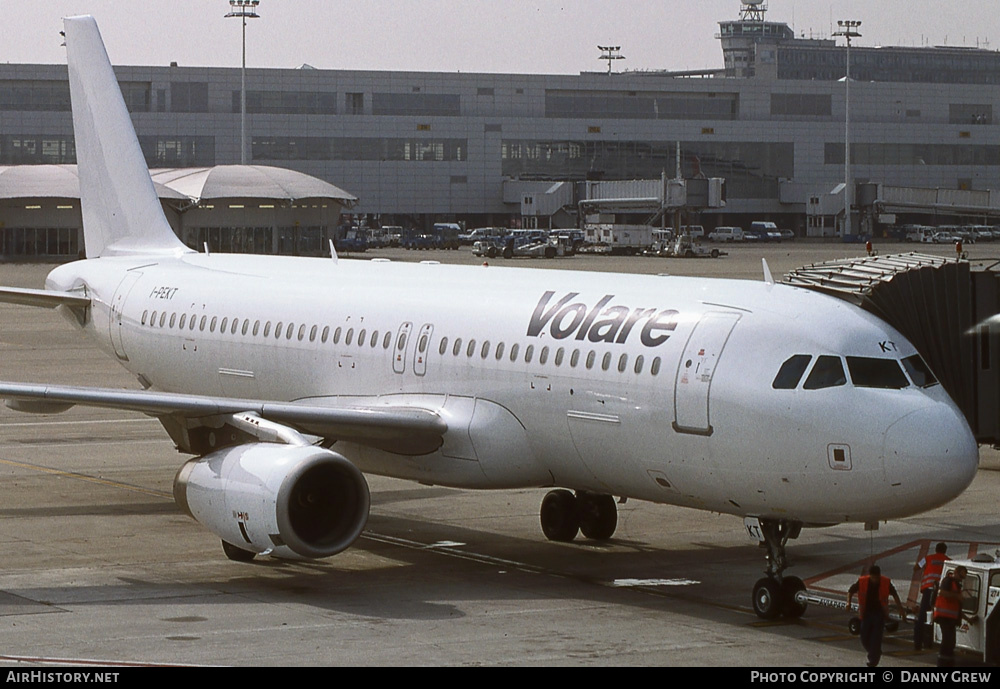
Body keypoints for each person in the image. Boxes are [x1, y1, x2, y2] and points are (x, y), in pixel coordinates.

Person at [848, 564, 907, 667]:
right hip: (866, 613)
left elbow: (895, 594)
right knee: (864, 637)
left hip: (879, 613)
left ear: (879, 576)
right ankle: (875, 652)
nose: (875, 580)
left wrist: (900, 609)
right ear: (870, 576)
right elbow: (850, 591)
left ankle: (873, 661)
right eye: (873, 577)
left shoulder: (885, 582)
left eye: (877, 578)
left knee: (876, 637)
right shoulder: (862, 581)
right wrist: (848, 602)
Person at [913, 542, 949, 650]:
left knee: (922, 616)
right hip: (941, 592)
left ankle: (918, 643)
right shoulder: (948, 561)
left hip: (928, 590)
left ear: (936, 549)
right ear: (945, 551)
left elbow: (916, 567)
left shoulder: (928, 558)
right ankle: (933, 641)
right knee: (938, 616)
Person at [934, 565, 972, 667]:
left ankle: (949, 662)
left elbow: (957, 608)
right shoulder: (948, 581)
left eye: (963, 577)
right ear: (955, 572)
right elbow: (942, 592)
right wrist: (957, 596)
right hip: (944, 617)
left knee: (951, 641)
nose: (961, 579)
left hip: (951, 619)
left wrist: (967, 619)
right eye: (960, 576)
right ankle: (942, 663)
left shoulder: (957, 586)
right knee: (947, 640)